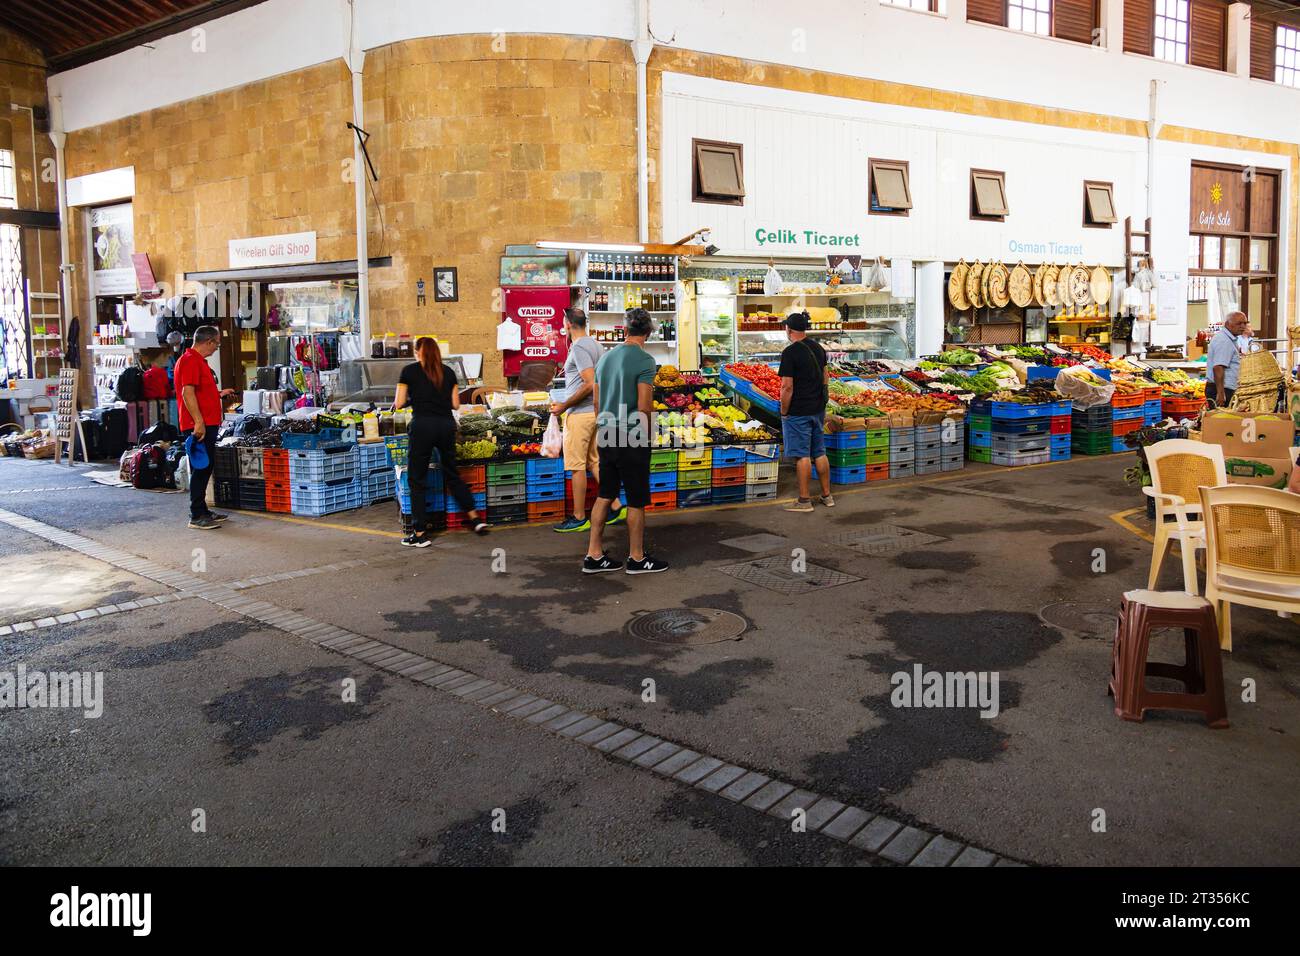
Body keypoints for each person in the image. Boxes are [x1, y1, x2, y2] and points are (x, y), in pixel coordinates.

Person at [583, 308, 667, 575]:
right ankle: (637, 558)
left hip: (607, 432)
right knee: (636, 499)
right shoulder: (645, 360)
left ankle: (594, 555)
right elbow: (643, 405)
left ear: (625, 329)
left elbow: (596, 403)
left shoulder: (605, 359)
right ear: (649, 331)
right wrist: (650, 433)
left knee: (605, 494)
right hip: (632, 435)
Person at [394, 336, 487, 547]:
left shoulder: (409, 371)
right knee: (452, 474)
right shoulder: (449, 372)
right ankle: (475, 519)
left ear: (418, 352)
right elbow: (455, 404)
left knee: (417, 480)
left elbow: (399, 403)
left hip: (422, 427)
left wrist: (412, 400)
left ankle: (419, 533)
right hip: (446, 426)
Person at [551, 308, 624, 532]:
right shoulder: (595, 344)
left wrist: (564, 405)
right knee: (593, 461)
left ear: (568, 324)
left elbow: (590, 382)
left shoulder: (580, 346)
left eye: (563, 321)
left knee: (576, 465)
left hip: (580, 414)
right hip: (594, 412)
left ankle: (579, 516)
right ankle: (617, 506)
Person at [175, 325, 236, 530]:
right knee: (201, 468)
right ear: (208, 341)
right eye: (216, 343)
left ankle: (202, 510)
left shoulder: (197, 361)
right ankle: (196, 515)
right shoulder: (190, 361)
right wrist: (199, 422)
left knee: (206, 467)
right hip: (198, 425)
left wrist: (218, 394)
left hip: (206, 422)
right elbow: (187, 393)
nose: (217, 347)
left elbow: (199, 391)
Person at [777, 312, 833, 512]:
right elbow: (826, 375)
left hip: (798, 410)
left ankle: (804, 500)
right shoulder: (818, 348)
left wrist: (784, 410)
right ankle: (827, 496)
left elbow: (787, 387)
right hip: (817, 408)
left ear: (789, 330)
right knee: (819, 452)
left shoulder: (790, 353)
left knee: (802, 455)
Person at [1207, 311, 1251, 407]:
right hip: (1221, 390)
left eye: (1245, 323)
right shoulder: (1224, 340)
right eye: (1239, 323)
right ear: (1228, 324)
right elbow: (1218, 367)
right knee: (1221, 420)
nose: (1243, 326)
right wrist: (1221, 393)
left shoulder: (1230, 338)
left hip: (1224, 388)